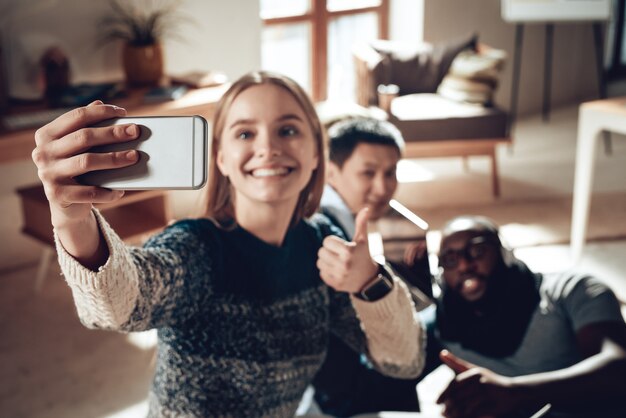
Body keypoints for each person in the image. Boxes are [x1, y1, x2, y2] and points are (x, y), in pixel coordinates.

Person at [31, 71, 425, 418]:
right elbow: (120, 306)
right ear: (220, 157)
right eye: (245, 133)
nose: (268, 147)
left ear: (315, 155)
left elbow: (403, 362)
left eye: (288, 130)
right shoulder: (196, 248)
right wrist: (70, 217)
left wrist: (371, 283)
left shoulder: (322, 243)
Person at [430, 215, 626, 418]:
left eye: (477, 250)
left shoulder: (572, 290)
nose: (464, 265)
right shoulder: (445, 320)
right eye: (450, 259)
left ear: (504, 253)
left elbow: (619, 368)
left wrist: (515, 392)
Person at [311, 117, 433, 416]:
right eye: (368, 173)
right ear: (331, 171)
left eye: (390, 172)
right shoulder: (327, 233)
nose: (383, 187)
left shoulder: (342, 214)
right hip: (334, 388)